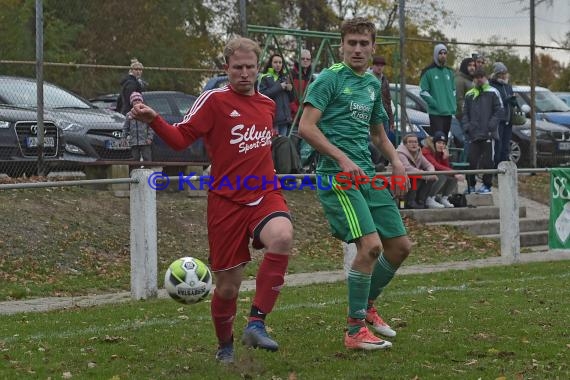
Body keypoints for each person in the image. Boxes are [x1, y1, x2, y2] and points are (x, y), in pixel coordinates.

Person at [130, 37, 293, 364]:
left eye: (250, 67)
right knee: (228, 288)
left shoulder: (268, 104)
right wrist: (154, 121)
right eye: (238, 68)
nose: (245, 74)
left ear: (258, 68)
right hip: (225, 202)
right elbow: (180, 140)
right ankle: (225, 347)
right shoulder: (213, 101)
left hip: (264, 192)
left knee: (283, 237)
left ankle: (257, 323)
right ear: (226, 68)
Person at [299, 17, 412, 351]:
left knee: (400, 247)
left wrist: (396, 162)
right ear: (342, 46)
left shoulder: (373, 85)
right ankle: (353, 331)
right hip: (338, 176)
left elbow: (378, 134)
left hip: (367, 175)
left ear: (373, 47)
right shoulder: (329, 79)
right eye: (352, 43)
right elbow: (305, 127)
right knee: (371, 247)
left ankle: (367, 307)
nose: (358, 49)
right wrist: (341, 157)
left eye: (364, 44)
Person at [462, 68, 502, 194]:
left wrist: (491, 125)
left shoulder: (493, 92)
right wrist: (467, 127)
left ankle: (487, 185)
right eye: (476, 77)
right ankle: (471, 186)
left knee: (488, 161)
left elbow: (499, 110)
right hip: (474, 134)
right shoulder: (469, 94)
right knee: (471, 161)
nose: (479, 79)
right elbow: (465, 113)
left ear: (485, 78)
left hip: (488, 134)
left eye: (481, 77)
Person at [419, 44, 457, 137]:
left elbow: (454, 90)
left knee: (445, 140)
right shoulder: (428, 71)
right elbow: (423, 92)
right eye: (440, 53)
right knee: (437, 139)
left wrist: (452, 105)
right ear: (436, 54)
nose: (443, 55)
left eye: (445, 53)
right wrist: (436, 104)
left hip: (448, 112)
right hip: (436, 113)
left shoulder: (450, 72)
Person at [421, 131, 465, 208]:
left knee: (452, 177)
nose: (441, 145)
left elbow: (445, 167)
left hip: (432, 177)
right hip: (422, 178)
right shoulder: (426, 151)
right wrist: (454, 172)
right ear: (434, 143)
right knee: (442, 176)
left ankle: (444, 198)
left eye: (443, 143)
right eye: (439, 142)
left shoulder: (441, 152)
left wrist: (445, 158)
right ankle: (429, 198)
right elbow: (436, 166)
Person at [396, 134, 440, 209]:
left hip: (411, 178)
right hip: (396, 179)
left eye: (415, 142)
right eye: (410, 142)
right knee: (417, 177)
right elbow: (408, 168)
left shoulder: (418, 152)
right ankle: (410, 202)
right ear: (405, 144)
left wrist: (431, 173)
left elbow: (429, 165)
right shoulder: (400, 153)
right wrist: (427, 175)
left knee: (431, 178)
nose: (414, 144)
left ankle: (421, 201)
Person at [259, 53, 294, 136]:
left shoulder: (285, 77)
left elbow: (292, 99)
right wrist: (279, 87)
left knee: (283, 144)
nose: (278, 65)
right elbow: (262, 95)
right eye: (275, 62)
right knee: (275, 145)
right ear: (270, 63)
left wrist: (290, 90)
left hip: (285, 119)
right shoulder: (265, 77)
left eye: (280, 62)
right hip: (273, 120)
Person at [489, 62, 517, 166]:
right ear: (496, 74)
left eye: (504, 73)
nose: (503, 75)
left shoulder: (508, 86)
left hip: (508, 120)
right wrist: (506, 100)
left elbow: (512, 102)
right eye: (500, 73)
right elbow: (494, 103)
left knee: (506, 147)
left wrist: (514, 102)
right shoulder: (492, 86)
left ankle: (504, 168)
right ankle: (496, 168)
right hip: (498, 121)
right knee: (498, 146)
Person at [369, 55, 396, 146]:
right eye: (377, 65)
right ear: (373, 66)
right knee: (371, 141)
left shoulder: (384, 80)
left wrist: (391, 120)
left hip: (383, 115)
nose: (380, 67)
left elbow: (388, 100)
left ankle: (383, 160)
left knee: (385, 142)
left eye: (382, 65)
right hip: (370, 115)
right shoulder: (367, 78)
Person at [453, 57, 476, 161]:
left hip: (473, 117)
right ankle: (463, 167)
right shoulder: (459, 80)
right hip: (463, 117)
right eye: (470, 65)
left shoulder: (471, 80)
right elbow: (459, 99)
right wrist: (465, 115)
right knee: (466, 142)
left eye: (473, 65)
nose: (472, 68)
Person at [122, 92, 154, 162]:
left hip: (145, 141)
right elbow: (126, 127)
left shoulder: (146, 113)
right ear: (131, 103)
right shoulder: (129, 115)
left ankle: (148, 171)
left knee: (147, 157)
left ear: (142, 102)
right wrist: (123, 138)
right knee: (135, 158)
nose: (137, 101)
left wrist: (150, 138)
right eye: (134, 100)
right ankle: (135, 171)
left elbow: (151, 127)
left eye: (138, 100)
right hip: (133, 141)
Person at [289, 49, 313, 122]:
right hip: (292, 115)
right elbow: (289, 97)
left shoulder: (311, 76)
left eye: (308, 59)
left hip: (306, 115)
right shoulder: (291, 74)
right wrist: (296, 110)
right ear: (298, 60)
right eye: (303, 58)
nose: (305, 60)